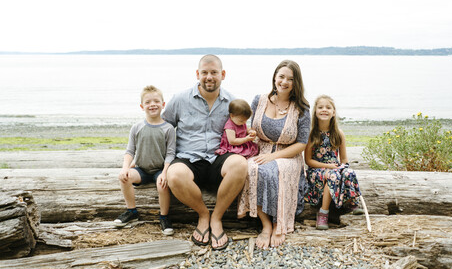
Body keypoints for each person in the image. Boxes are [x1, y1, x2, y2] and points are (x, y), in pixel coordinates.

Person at [162, 55, 247, 250]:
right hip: (188, 158)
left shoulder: (233, 102)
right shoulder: (180, 99)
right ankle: (203, 215)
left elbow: (242, 129)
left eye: (214, 72)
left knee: (240, 164)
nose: (209, 77)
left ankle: (216, 218)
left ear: (223, 74)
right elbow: (164, 129)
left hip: (219, 157)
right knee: (174, 175)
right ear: (197, 74)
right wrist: (162, 164)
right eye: (205, 72)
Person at [237, 60, 310, 249]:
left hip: (288, 156)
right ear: (275, 78)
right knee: (250, 168)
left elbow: (301, 144)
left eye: (290, 79)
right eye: (281, 76)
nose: (284, 81)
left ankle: (279, 222)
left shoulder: (301, 108)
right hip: (259, 151)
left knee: (271, 171)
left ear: (296, 82)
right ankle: (266, 225)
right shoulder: (259, 100)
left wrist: (273, 157)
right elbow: (247, 128)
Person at [114, 85, 176, 236]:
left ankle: (164, 217)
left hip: (159, 169)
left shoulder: (168, 129)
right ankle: (131, 211)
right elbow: (130, 151)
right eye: (148, 102)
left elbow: (170, 154)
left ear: (163, 104)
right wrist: (125, 168)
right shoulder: (137, 127)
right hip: (141, 169)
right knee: (124, 177)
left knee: (162, 185)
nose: (152, 104)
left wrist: (165, 173)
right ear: (142, 106)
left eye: (156, 101)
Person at [304, 95, 362, 230]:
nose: (324, 110)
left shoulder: (338, 133)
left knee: (349, 172)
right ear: (315, 112)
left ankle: (351, 203)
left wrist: (342, 167)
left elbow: (344, 160)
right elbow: (308, 161)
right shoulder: (311, 134)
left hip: (335, 168)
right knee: (332, 175)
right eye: (320, 107)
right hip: (316, 171)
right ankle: (323, 214)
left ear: (333, 112)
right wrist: (328, 166)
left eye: (328, 107)